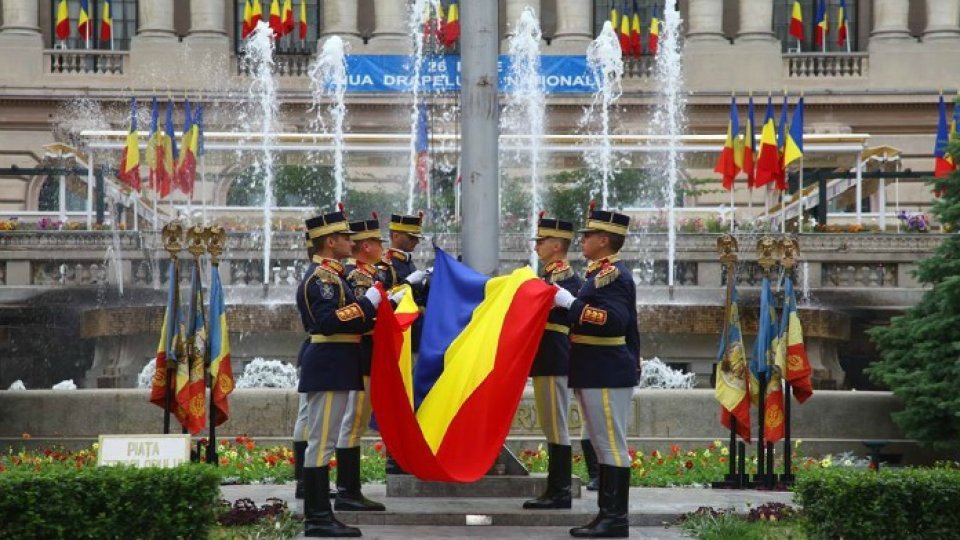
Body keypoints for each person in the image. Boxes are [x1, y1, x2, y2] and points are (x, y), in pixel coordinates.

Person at [553, 206, 639, 539]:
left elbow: (614, 321)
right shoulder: (598, 273)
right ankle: (607, 515)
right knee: (605, 446)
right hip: (598, 369)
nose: (583, 240)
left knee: (611, 446)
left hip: (605, 370)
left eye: (588, 235)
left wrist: (570, 304)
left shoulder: (612, 276)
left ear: (604, 240)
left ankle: (615, 519)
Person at [297, 207, 383, 538]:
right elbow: (327, 322)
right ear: (330, 242)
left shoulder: (334, 277)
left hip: (336, 363)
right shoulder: (321, 279)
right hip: (329, 362)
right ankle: (318, 517)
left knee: (325, 440)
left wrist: (371, 310)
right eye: (346, 237)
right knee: (322, 442)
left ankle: (321, 515)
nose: (352, 242)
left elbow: (356, 320)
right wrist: (367, 304)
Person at [523, 214, 583, 510]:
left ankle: (559, 491)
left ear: (557, 246)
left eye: (542, 241)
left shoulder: (565, 279)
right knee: (551, 425)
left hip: (554, 356)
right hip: (547, 357)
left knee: (556, 426)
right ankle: (555, 489)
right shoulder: (548, 276)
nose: (537, 247)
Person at [334, 214, 388, 512]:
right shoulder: (357, 277)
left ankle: (350, 490)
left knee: (354, 424)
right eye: (378, 242)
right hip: (360, 355)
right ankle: (348, 492)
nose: (383, 247)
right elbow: (360, 318)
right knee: (352, 423)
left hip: (367, 356)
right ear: (366, 246)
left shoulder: (368, 274)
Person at [377, 212, 429, 475]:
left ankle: (406, 451)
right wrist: (409, 285)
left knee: (412, 398)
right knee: (400, 400)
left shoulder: (408, 264)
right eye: (410, 237)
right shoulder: (386, 266)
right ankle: (395, 456)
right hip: (400, 340)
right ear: (395, 235)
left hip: (415, 339)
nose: (415, 242)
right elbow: (381, 299)